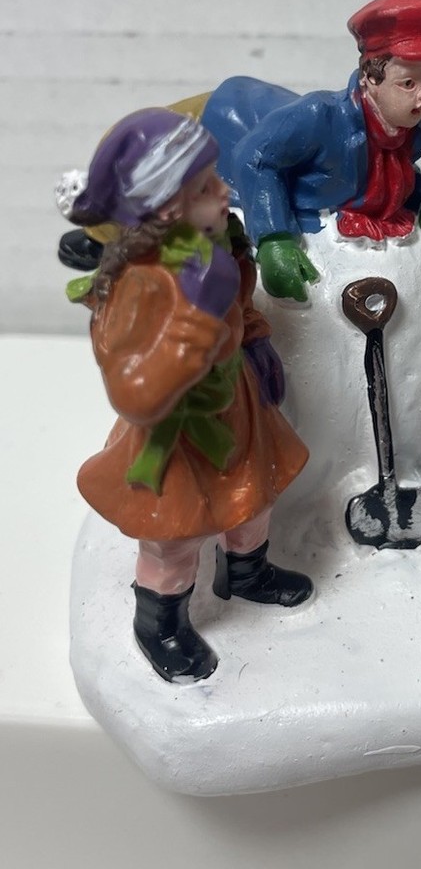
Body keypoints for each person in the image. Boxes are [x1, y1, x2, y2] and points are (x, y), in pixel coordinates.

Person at [65, 109, 312, 683]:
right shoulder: (140, 283)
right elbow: (132, 391)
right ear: (163, 209)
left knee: (256, 496)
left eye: (215, 177)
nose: (223, 191)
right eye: (204, 187)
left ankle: (246, 572)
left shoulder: (217, 243)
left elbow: (241, 302)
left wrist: (254, 338)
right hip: (176, 432)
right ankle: (160, 622)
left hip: (236, 403)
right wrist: (191, 333)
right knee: (173, 537)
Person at [198, 0, 421, 301]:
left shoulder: (404, 128)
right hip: (230, 126)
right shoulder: (320, 115)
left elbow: (387, 176)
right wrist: (274, 238)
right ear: (370, 79)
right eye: (409, 83)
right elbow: (255, 158)